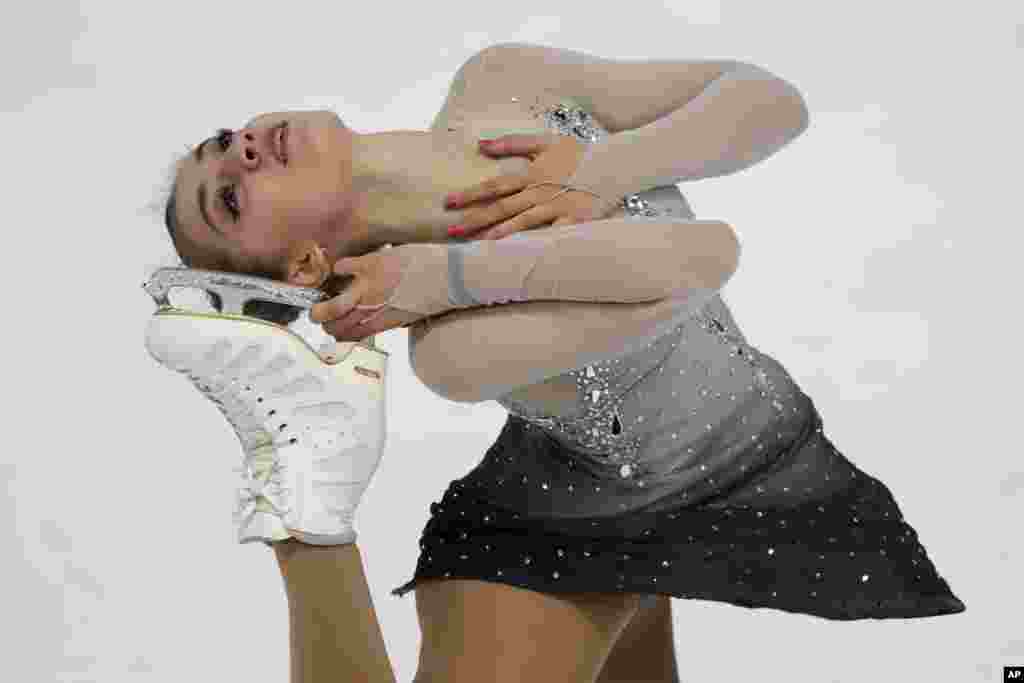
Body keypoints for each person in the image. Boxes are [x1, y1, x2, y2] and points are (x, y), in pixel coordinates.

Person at [154, 42, 965, 683]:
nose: (242, 151)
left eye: (224, 142)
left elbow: (770, 100)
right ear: (303, 266)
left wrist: (599, 167)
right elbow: (701, 257)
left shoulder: (504, 83)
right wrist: (444, 275)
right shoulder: (454, 345)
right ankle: (307, 499)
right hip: (569, 524)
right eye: (227, 196)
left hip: (731, 467)